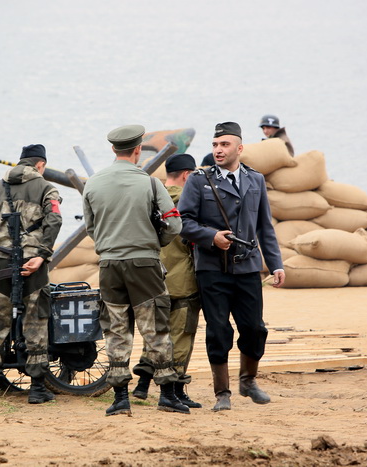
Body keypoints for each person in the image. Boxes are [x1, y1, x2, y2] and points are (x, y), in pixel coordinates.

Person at [178, 122, 285, 412]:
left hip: (248, 268)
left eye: (224, 145)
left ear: (239, 148)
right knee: (218, 330)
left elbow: (265, 226)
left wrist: (275, 264)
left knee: (254, 328)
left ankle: (248, 380)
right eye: (215, 145)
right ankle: (222, 392)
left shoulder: (255, 180)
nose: (218, 150)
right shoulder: (199, 181)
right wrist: (210, 237)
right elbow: (183, 222)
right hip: (212, 268)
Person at [82, 124, 188, 416]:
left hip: (109, 265)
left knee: (116, 329)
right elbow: (175, 224)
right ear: (138, 149)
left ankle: (120, 398)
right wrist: (155, 243)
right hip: (145, 264)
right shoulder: (150, 183)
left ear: (113, 150)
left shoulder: (93, 183)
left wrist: (110, 246)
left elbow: (91, 228)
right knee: (155, 328)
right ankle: (167, 395)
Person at [0, 144, 62, 404]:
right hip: (33, 263)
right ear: (41, 165)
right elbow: (55, 220)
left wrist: (0, 236)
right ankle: (36, 388)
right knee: (36, 321)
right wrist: (41, 252)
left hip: (1, 262)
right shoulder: (46, 187)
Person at [132, 153, 202, 409]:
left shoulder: (149, 199)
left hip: (152, 278)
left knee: (156, 334)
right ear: (187, 175)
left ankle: (141, 384)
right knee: (181, 335)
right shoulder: (190, 202)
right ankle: (176, 390)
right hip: (182, 281)